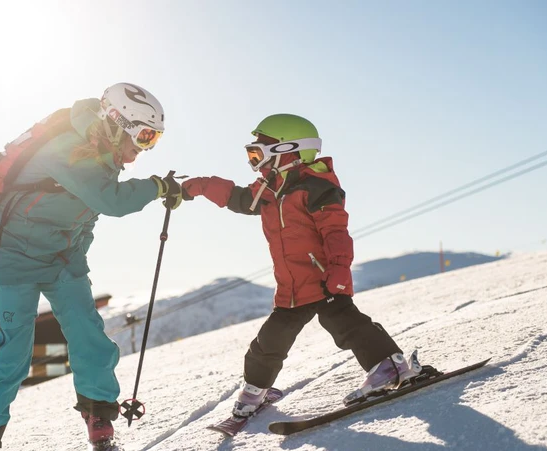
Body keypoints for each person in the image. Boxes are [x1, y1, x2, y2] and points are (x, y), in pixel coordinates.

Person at [0, 83, 183, 451]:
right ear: (116, 122)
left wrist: (75, 260)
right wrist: (157, 187)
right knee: (13, 352)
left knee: (88, 334)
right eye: (143, 135)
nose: (143, 149)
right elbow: (109, 201)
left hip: (61, 258)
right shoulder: (67, 148)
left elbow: (86, 214)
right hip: (11, 257)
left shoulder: (103, 153)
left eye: (152, 139)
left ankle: (98, 411)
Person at [181, 113, 422, 417]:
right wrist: (199, 186)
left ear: (288, 151)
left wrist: (338, 269)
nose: (255, 161)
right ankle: (254, 393)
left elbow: (336, 232)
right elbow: (238, 197)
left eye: (259, 153)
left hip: (323, 280)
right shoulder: (270, 191)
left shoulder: (317, 187)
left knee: (346, 325)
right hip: (291, 288)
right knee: (269, 342)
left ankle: (388, 366)